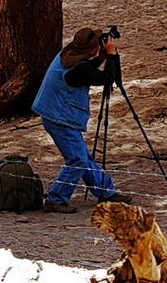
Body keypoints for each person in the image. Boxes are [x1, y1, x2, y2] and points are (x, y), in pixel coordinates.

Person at [32, 26, 132, 213]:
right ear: (91, 49)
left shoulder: (67, 54)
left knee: (83, 157)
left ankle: (105, 191)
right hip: (60, 119)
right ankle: (56, 199)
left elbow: (86, 70)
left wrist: (100, 58)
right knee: (77, 159)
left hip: (55, 115)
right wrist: (111, 56)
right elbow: (106, 79)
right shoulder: (77, 70)